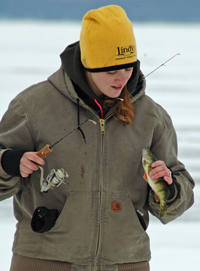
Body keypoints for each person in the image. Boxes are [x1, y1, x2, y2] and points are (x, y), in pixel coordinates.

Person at [0, 5, 194, 271]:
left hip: (126, 262)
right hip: (43, 261)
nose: (121, 78)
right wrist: (11, 162)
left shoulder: (151, 117)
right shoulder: (32, 107)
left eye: (128, 68)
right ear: (88, 64)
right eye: (111, 70)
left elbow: (176, 199)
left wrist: (169, 188)